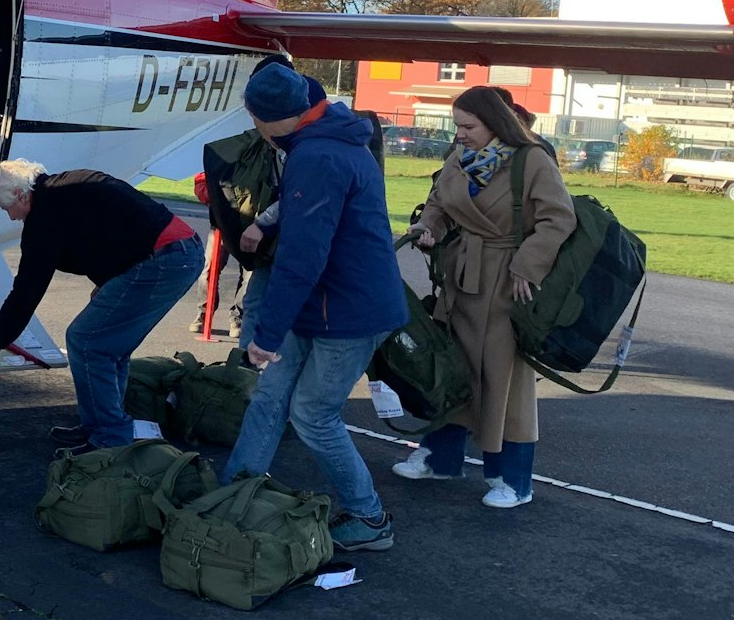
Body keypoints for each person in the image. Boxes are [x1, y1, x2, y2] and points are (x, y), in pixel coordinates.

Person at [220, 63, 408, 552]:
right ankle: (233, 492)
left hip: (348, 311)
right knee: (270, 396)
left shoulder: (317, 156)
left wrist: (264, 333)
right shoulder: (328, 134)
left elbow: (304, 257)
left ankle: (369, 518)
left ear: (264, 119)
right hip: (327, 302)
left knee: (312, 414)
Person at [395, 84, 577, 508]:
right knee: (452, 369)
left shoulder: (532, 159)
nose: (458, 134)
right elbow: (438, 202)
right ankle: (440, 457)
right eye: (457, 125)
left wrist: (525, 267)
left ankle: (513, 480)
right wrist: (429, 229)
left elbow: (558, 217)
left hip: (508, 281)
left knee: (506, 382)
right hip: (461, 278)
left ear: (494, 123)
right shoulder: (460, 158)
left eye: (467, 125)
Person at [0, 160, 204, 453]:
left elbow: (26, 292)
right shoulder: (69, 186)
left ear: (22, 196)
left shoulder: (45, 216)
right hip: (176, 251)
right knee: (110, 345)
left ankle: (109, 437)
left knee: (85, 339)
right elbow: (109, 230)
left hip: (165, 258)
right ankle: (101, 426)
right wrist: (108, 281)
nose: (10, 217)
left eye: (6, 206)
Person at [231, 63, 329, 342]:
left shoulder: (311, 149)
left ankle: (254, 357)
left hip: (291, 236)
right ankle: (243, 366)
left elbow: (304, 192)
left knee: (277, 303)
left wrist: (263, 223)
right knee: (254, 301)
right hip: (278, 235)